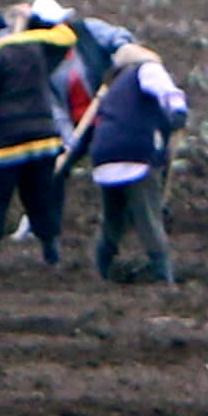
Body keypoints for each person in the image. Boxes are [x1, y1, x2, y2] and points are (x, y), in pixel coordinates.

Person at [0, 2, 80, 271]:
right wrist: (33, 19)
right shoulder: (33, 44)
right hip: (45, 139)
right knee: (40, 197)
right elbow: (67, 36)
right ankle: (52, 255)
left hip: (7, 143)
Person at [82, 42, 189, 284]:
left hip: (103, 156)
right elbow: (168, 93)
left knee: (113, 218)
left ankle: (100, 269)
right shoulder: (146, 70)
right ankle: (164, 276)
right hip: (134, 154)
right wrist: (178, 113)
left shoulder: (112, 88)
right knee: (148, 217)